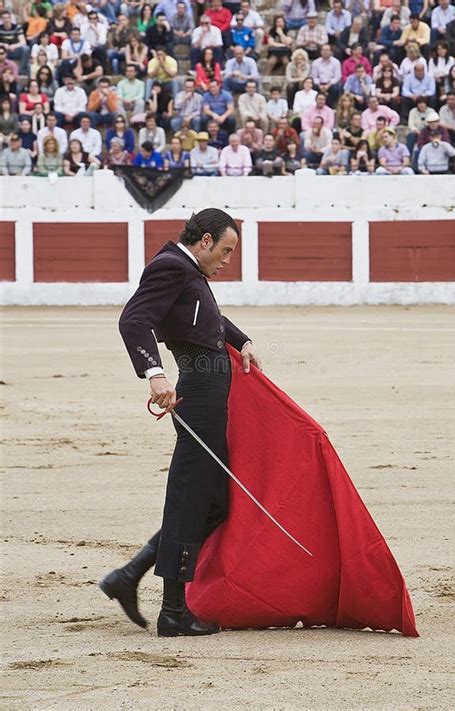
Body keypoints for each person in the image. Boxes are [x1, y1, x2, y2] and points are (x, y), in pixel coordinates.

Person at [100, 209, 261, 636]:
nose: (227, 260)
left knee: (213, 504)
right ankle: (173, 612)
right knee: (193, 498)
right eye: (225, 250)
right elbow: (133, 320)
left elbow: (208, 321)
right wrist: (154, 374)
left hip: (208, 391)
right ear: (205, 240)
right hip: (200, 394)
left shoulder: (185, 270)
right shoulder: (171, 267)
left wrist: (240, 340)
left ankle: (130, 575)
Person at [310, 44, 342, 108]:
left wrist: (328, 85)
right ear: (321, 52)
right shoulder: (316, 62)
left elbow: (337, 77)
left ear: (330, 52)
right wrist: (319, 85)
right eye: (323, 50)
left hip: (331, 84)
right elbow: (314, 77)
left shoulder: (336, 62)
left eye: (327, 50)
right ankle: (315, 106)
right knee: (313, 87)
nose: (325, 52)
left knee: (336, 89)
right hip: (319, 83)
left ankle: (328, 106)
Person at [0, 10, 30, 76]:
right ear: (1, 19)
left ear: (10, 18)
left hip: (14, 50)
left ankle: (20, 72)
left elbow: (23, 42)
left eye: (7, 18)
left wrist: (14, 46)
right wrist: (3, 45)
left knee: (26, 48)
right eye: (4, 18)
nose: (6, 20)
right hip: (3, 52)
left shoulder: (17, 27)